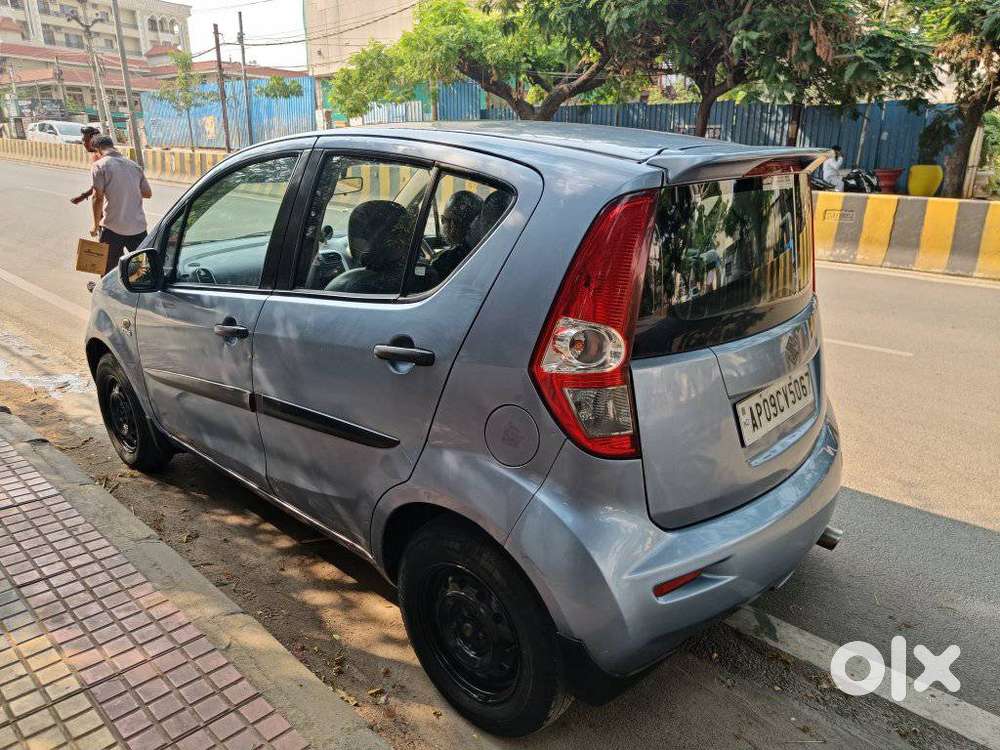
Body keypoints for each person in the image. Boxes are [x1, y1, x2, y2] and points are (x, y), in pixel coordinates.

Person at [89, 134, 152, 274]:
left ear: (98, 150)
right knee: (141, 271)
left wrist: (94, 225)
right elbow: (147, 193)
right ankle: (138, 292)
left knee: (107, 269)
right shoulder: (134, 166)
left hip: (112, 228)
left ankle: (108, 292)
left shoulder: (99, 166)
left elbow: (97, 197)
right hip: (138, 228)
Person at [70, 126, 102, 205]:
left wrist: (82, 197)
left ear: (95, 140)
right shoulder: (99, 154)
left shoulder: (99, 157)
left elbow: (98, 186)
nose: (84, 143)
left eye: (87, 140)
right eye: (83, 140)